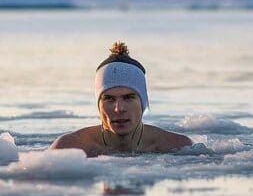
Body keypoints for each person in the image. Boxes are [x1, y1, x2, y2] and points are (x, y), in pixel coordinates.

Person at [50, 42, 192, 157]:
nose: (119, 108)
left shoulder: (178, 147)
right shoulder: (69, 149)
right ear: (98, 104)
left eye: (128, 97)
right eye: (109, 99)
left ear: (143, 102)